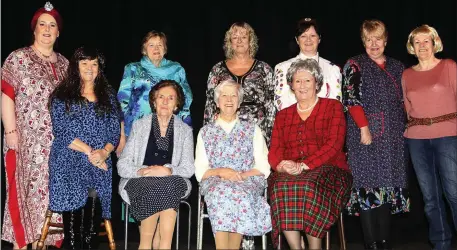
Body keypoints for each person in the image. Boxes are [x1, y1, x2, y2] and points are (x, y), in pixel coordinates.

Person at [1, 1, 68, 249]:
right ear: (34, 29)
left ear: (58, 32)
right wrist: (10, 131)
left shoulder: (65, 65)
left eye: (52, 25)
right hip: (25, 142)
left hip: (57, 147)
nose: (47, 29)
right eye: (43, 24)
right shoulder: (18, 58)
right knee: (24, 198)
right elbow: (6, 94)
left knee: (52, 200)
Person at [268, 59, 352, 250]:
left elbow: (334, 145)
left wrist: (305, 165)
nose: (302, 86)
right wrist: (280, 165)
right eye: (297, 81)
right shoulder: (283, 115)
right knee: (279, 185)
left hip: (330, 170)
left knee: (307, 185)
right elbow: (274, 149)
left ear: (317, 83)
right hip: (292, 170)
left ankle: (315, 248)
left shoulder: (333, 107)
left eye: (307, 81)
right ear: (291, 86)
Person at [342, 20, 409, 250]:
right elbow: (351, 99)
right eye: (368, 39)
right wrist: (363, 127)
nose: (373, 44)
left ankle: (384, 243)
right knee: (368, 188)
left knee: (387, 188)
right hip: (365, 136)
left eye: (377, 38)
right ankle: (371, 243)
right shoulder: (354, 64)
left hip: (393, 137)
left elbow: (405, 101)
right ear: (363, 41)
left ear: (386, 40)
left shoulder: (398, 67)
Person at [48, 47, 121, 249]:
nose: (90, 68)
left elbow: (114, 132)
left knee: (90, 230)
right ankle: (72, 245)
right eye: (85, 63)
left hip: (98, 160)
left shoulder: (108, 95)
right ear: (76, 66)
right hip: (68, 159)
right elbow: (62, 132)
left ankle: (88, 245)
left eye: (94, 64)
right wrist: (91, 152)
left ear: (100, 68)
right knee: (73, 234)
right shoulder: (61, 95)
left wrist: (104, 153)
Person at [117, 80, 194, 250]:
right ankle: (149, 245)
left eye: (171, 98)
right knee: (154, 186)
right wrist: (144, 171)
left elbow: (189, 168)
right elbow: (122, 165)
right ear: (154, 101)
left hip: (171, 181)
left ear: (177, 104)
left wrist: (168, 170)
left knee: (169, 184)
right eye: (161, 97)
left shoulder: (185, 131)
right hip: (140, 181)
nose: (165, 101)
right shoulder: (139, 126)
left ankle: (161, 245)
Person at [195, 79, 272, 250]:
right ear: (217, 101)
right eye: (224, 95)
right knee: (220, 193)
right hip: (215, 180)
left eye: (233, 96)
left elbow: (263, 167)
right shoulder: (205, 132)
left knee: (239, 193)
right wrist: (222, 172)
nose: (229, 100)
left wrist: (240, 176)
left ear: (239, 101)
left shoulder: (253, 129)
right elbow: (201, 171)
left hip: (247, 180)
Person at [402, 24, 457, 250]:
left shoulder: (449, 66)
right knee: (429, 198)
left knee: (454, 193)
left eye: (427, 41)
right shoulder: (406, 74)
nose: (422, 45)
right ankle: (441, 243)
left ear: (435, 43)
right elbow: (407, 108)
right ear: (412, 47)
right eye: (418, 42)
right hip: (416, 138)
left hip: (448, 135)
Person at [117, 30, 193, 155]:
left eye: (160, 45)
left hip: (168, 131)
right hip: (135, 131)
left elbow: (185, 103)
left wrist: (187, 135)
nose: (156, 48)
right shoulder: (132, 69)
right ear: (144, 49)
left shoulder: (176, 69)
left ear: (165, 49)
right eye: (151, 45)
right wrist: (121, 136)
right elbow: (121, 103)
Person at [203, 22, 275, 144]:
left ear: (250, 40)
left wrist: (269, 136)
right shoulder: (217, 69)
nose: (239, 41)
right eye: (235, 37)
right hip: (224, 129)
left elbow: (271, 105)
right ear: (230, 42)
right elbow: (210, 105)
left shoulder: (264, 69)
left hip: (257, 131)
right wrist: (208, 134)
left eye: (243, 37)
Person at [274, 18, 342, 112]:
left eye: (313, 35)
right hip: (292, 123)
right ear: (297, 40)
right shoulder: (282, 68)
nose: (308, 40)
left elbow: (336, 104)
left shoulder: (333, 69)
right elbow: (281, 104)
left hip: (323, 123)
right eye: (303, 36)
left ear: (319, 39)